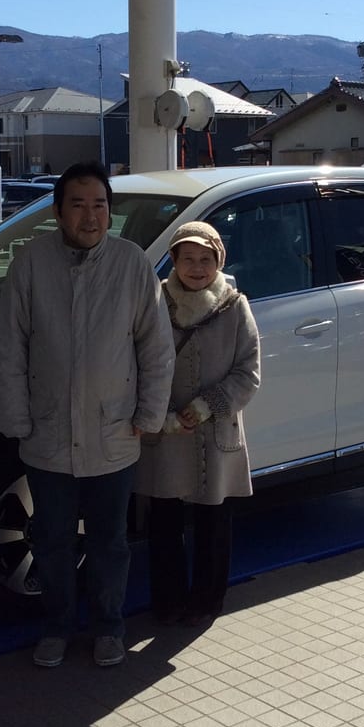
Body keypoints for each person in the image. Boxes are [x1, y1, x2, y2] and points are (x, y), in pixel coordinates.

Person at [0, 161, 174, 668]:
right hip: (47, 433)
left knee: (109, 541)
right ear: (58, 212)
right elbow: (8, 348)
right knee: (51, 540)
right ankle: (57, 627)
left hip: (114, 432)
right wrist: (17, 420)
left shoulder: (132, 263)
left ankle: (109, 628)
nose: (90, 216)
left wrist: (148, 415)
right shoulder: (31, 263)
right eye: (78, 204)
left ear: (109, 212)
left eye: (100, 205)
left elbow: (156, 348)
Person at [136, 221, 261, 627]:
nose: (197, 267)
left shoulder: (235, 306)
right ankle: (168, 602)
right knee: (164, 521)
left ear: (219, 261)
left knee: (214, 520)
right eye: (187, 258)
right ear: (172, 260)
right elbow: (137, 365)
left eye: (206, 259)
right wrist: (164, 418)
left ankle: (208, 601)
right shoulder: (154, 304)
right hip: (166, 431)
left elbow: (249, 372)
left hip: (215, 430)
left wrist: (208, 406)